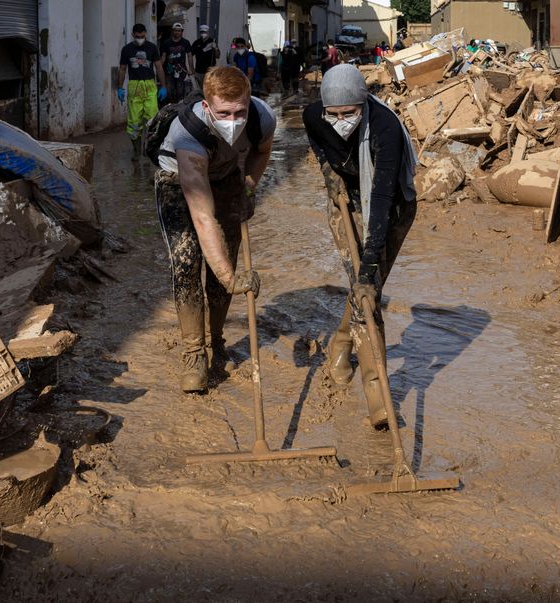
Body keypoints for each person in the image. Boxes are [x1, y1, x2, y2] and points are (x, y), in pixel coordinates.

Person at [302, 64, 417, 429]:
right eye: (333, 114)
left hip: (392, 204)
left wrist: (369, 267)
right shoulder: (312, 115)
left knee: (367, 287)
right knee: (365, 296)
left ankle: (340, 344)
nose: (340, 121)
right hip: (346, 200)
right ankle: (378, 397)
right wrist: (327, 172)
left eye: (348, 113)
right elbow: (317, 139)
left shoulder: (384, 129)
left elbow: (381, 198)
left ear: (363, 103)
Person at [155, 67, 276, 393]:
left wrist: (248, 189)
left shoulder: (262, 118)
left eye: (240, 111)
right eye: (224, 113)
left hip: (225, 179)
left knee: (227, 256)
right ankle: (194, 352)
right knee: (187, 262)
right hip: (178, 181)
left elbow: (262, 152)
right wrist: (229, 277)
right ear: (208, 108)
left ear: (249, 102)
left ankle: (217, 339)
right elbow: (203, 216)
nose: (233, 120)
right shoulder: (188, 133)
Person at [117, 23, 167, 154]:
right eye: (138, 36)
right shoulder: (126, 50)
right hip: (134, 86)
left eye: (143, 36)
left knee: (153, 119)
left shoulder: (152, 48)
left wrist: (163, 86)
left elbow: (159, 67)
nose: (140, 39)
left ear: (145, 34)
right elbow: (122, 69)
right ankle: (136, 151)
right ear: (133, 35)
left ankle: (149, 148)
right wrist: (119, 87)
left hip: (150, 86)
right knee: (134, 122)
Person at [160, 23, 193, 104]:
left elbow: (189, 56)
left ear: (181, 32)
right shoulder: (166, 43)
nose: (177, 32)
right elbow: (163, 57)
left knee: (181, 91)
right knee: (169, 91)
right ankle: (171, 107)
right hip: (169, 70)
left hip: (182, 70)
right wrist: (159, 70)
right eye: (175, 30)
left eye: (179, 31)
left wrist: (191, 69)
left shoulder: (185, 42)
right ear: (172, 31)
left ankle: (180, 107)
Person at [191, 24, 220, 89]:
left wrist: (215, 48)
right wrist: (192, 68)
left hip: (210, 71)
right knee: (201, 90)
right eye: (202, 32)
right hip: (199, 71)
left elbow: (217, 56)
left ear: (208, 32)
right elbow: (190, 55)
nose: (203, 33)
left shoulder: (212, 41)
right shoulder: (196, 43)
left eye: (205, 32)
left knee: (209, 89)